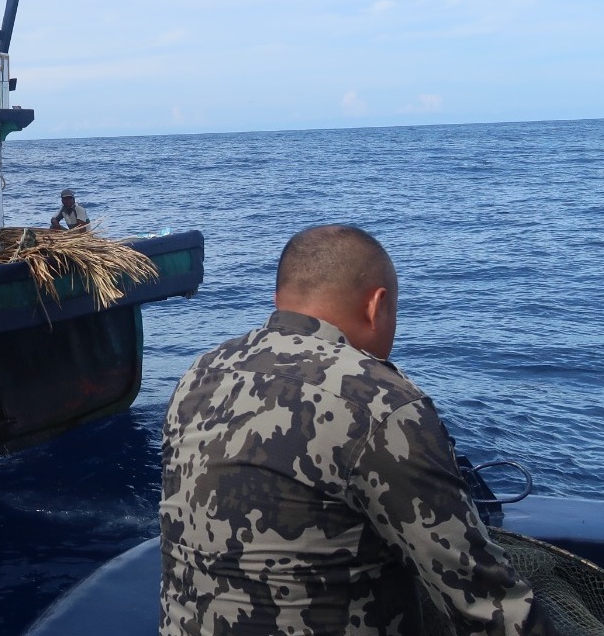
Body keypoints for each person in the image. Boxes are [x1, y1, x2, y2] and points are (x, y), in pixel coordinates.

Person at [159, 225, 555, 636]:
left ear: (280, 301)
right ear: (377, 306)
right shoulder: (380, 401)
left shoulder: (200, 374)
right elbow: (487, 603)